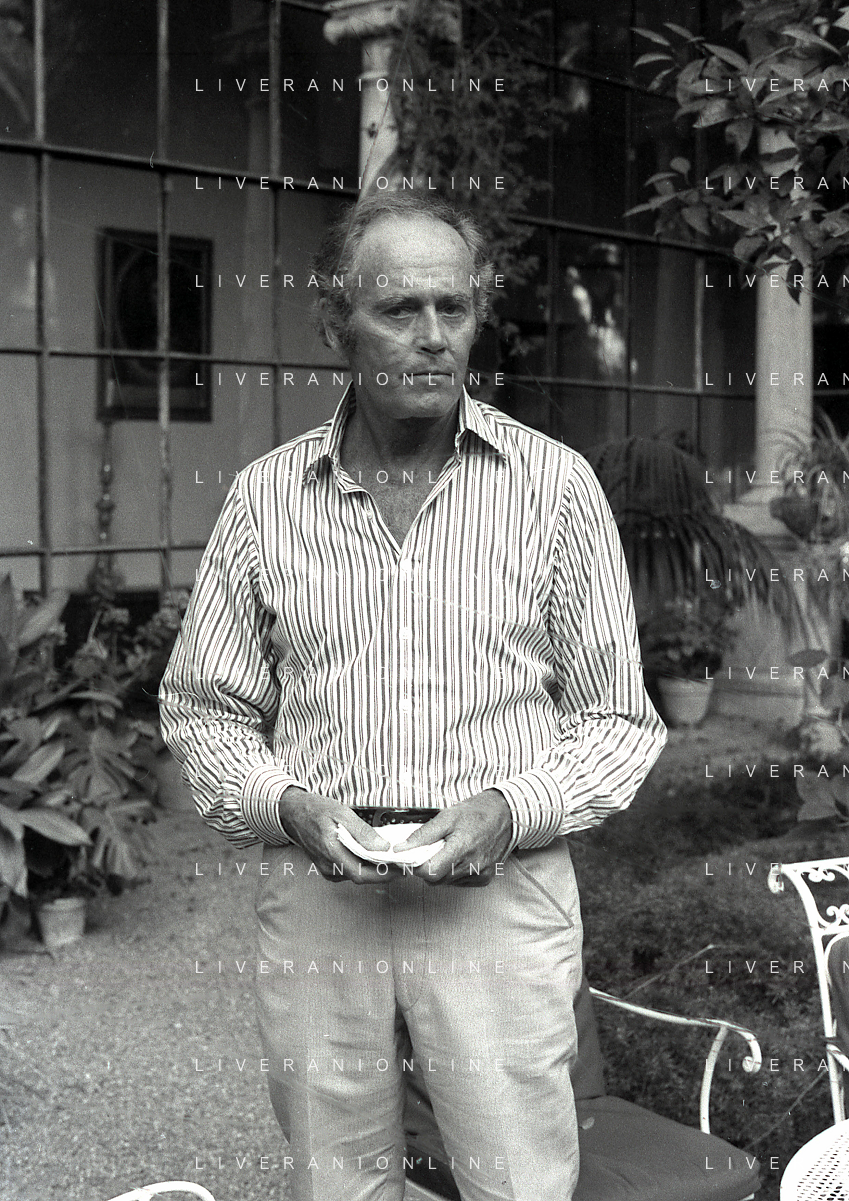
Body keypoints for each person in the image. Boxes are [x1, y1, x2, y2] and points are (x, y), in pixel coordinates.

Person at [159, 191, 666, 1201]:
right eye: (400, 309)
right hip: (320, 898)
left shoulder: (554, 489)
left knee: (517, 1180)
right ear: (337, 325)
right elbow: (205, 707)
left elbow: (616, 718)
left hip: (498, 894)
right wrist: (285, 805)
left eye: (455, 307)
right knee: (335, 1178)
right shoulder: (265, 498)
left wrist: (512, 808)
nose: (434, 337)